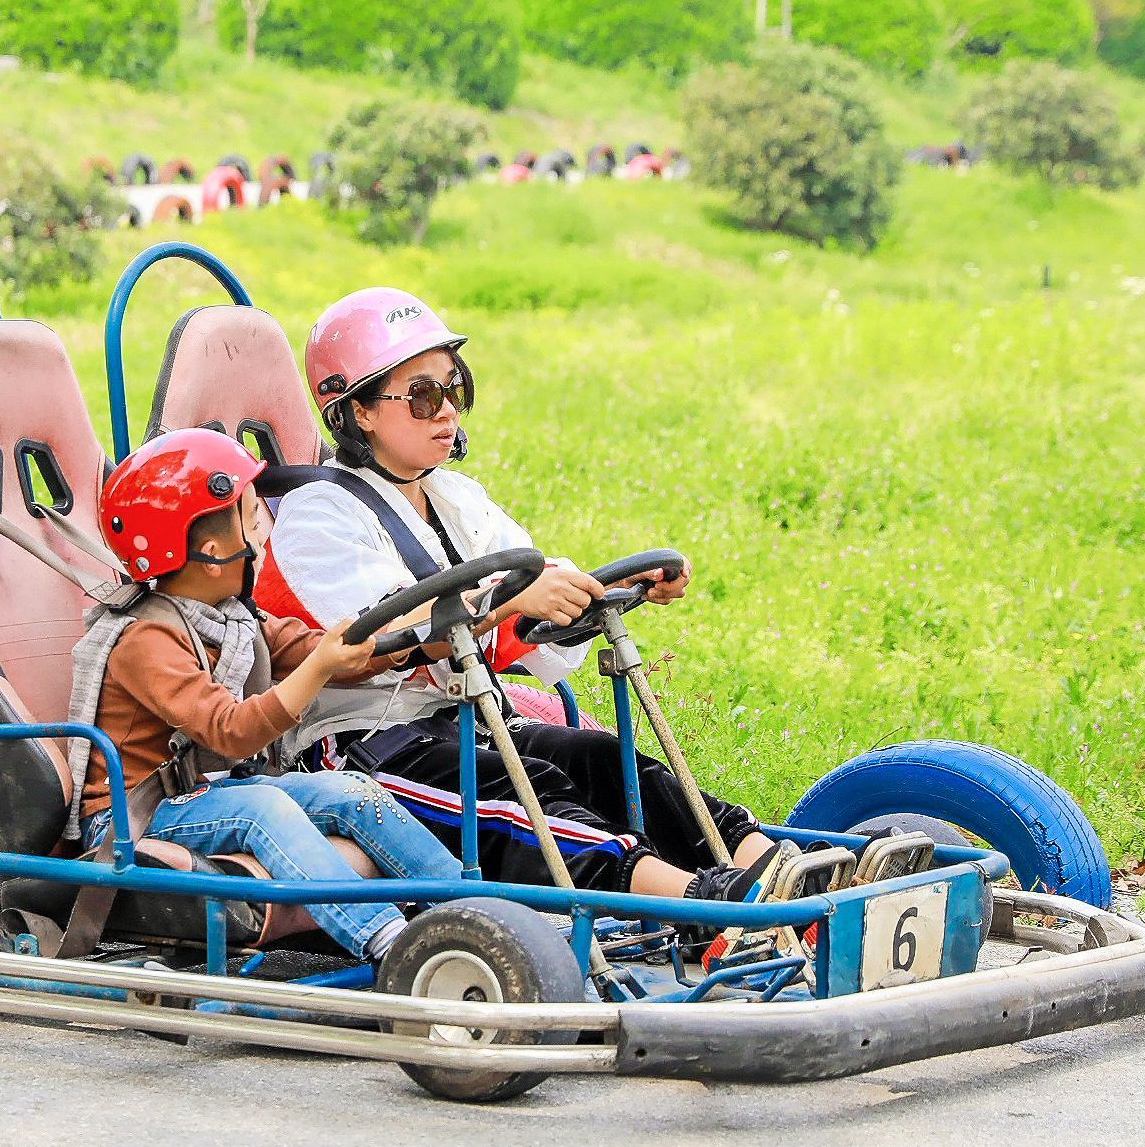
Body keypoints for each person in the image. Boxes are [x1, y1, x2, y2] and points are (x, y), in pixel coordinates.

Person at [254, 287, 779, 906]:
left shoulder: (458, 500)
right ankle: (700, 904)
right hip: (365, 744)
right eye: (422, 396)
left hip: (470, 720)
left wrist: (606, 590)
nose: (447, 412)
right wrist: (512, 601)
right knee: (522, 796)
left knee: (606, 761)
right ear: (358, 411)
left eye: (455, 388)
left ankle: (774, 867)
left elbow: (526, 602)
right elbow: (389, 636)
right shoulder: (318, 515)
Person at [65, 427, 464, 963]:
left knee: (350, 789)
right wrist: (319, 668)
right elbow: (230, 732)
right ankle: (393, 943)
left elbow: (315, 648)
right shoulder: (145, 639)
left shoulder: (232, 619)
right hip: (134, 813)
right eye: (254, 517)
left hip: (204, 796)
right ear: (212, 552)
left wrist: (408, 642)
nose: (263, 530)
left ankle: (472, 909)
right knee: (262, 806)